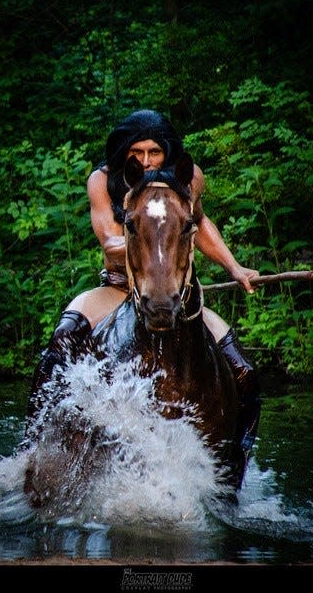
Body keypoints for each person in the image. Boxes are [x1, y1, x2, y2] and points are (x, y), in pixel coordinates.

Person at [28, 109, 261, 488]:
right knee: (60, 343)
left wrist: (234, 267)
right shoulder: (101, 181)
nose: (147, 161)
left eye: (155, 151)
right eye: (137, 152)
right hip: (117, 288)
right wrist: (152, 242)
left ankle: (232, 476)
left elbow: (197, 222)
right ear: (123, 152)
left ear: (168, 151)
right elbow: (108, 238)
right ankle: (33, 453)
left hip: (175, 293)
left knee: (246, 375)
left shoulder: (189, 178)